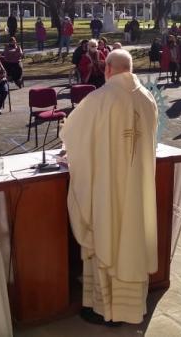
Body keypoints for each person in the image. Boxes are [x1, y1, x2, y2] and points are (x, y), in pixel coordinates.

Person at [61, 49, 158, 326]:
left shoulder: (99, 99)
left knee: (106, 234)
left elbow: (72, 134)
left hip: (107, 189)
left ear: (107, 69)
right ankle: (130, 306)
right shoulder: (148, 98)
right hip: (137, 188)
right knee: (132, 237)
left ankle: (106, 308)